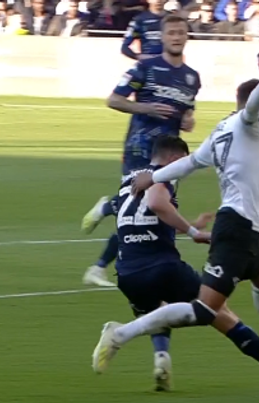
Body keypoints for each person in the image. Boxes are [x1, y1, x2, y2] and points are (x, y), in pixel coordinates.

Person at [92, 53, 259, 387]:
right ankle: (120, 334)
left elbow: (190, 164)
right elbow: (254, 107)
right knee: (204, 310)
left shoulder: (221, 130)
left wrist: (153, 178)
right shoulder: (247, 121)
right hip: (237, 224)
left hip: (248, 227)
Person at [81, 15, 198, 287]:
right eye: (171, 33)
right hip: (140, 146)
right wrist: (147, 108)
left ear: (186, 36)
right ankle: (100, 265)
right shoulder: (145, 68)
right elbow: (114, 99)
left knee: (144, 214)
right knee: (140, 210)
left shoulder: (191, 77)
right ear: (163, 36)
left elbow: (188, 110)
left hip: (169, 156)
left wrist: (188, 120)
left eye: (181, 32)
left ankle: (107, 213)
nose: (177, 37)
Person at [113, 134, 213, 391]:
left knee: (156, 309)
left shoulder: (132, 178)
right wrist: (195, 233)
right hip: (161, 264)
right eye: (183, 162)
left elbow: (148, 219)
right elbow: (157, 204)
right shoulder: (163, 177)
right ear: (174, 158)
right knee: (211, 307)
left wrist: (191, 224)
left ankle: (161, 358)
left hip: (128, 270)